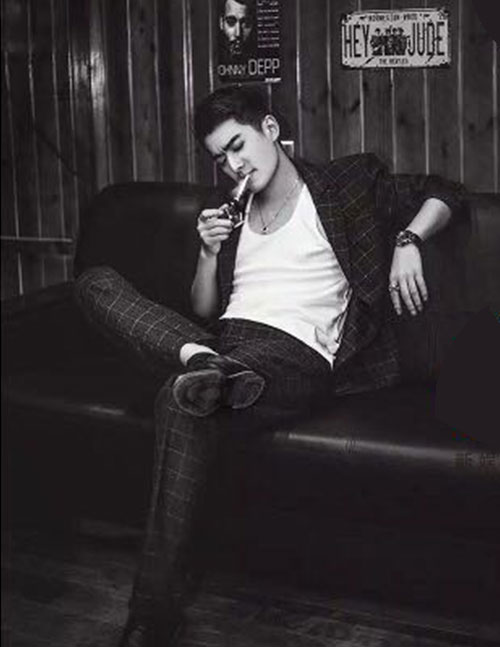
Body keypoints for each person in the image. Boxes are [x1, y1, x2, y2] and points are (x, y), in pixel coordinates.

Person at [75, 85, 466, 646]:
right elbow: (204, 310)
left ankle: (150, 615)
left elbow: (445, 190)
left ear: (271, 130)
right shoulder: (229, 215)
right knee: (95, 284)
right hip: (224, 345)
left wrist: (407, 239)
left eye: (238, 146)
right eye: (220, 158)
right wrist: (208, 253)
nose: (233, 166)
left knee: (180, 397)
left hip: (296, 355)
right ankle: (206, 365)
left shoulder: (344, 185)